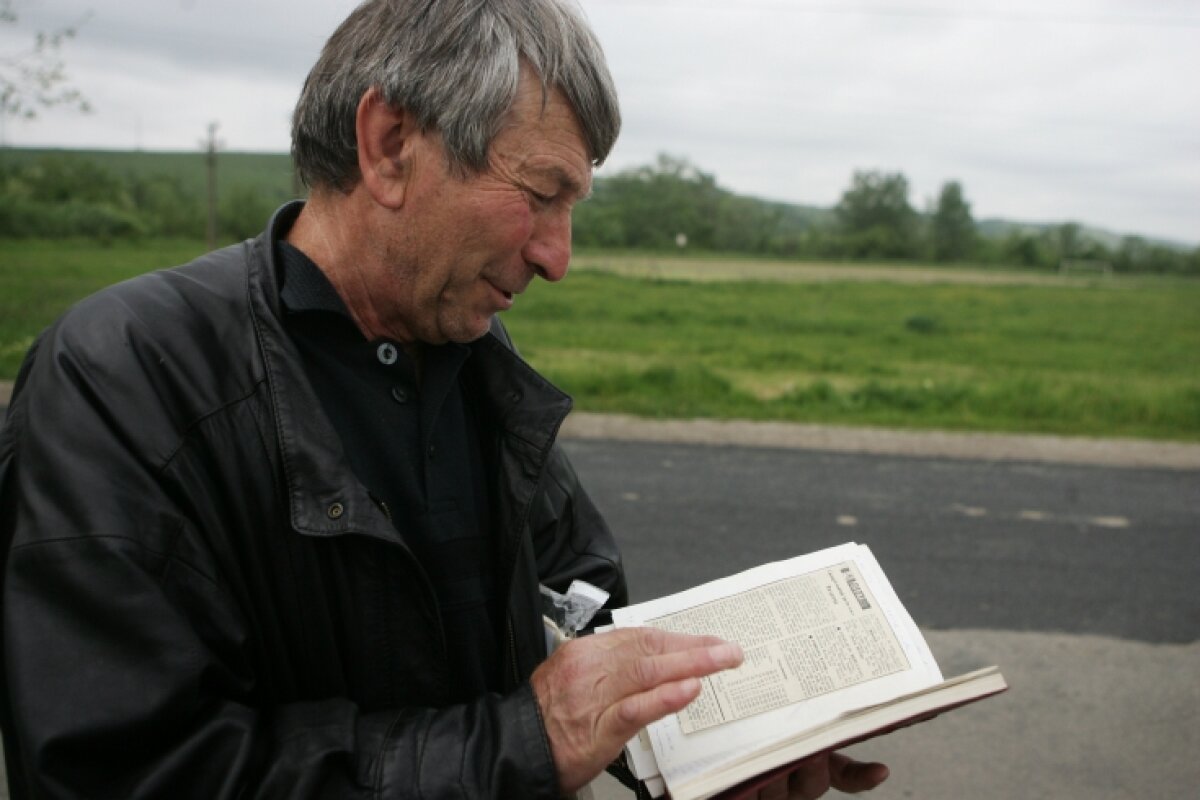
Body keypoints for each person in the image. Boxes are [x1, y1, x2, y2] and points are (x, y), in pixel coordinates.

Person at [0, 1, 888, 797]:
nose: (557, 257)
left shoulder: (471, 355)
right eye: (541, 196)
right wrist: (523, 745)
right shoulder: (122, 378)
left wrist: (701, 745)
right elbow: (127, 771)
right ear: (389, 145)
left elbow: (577, 610)